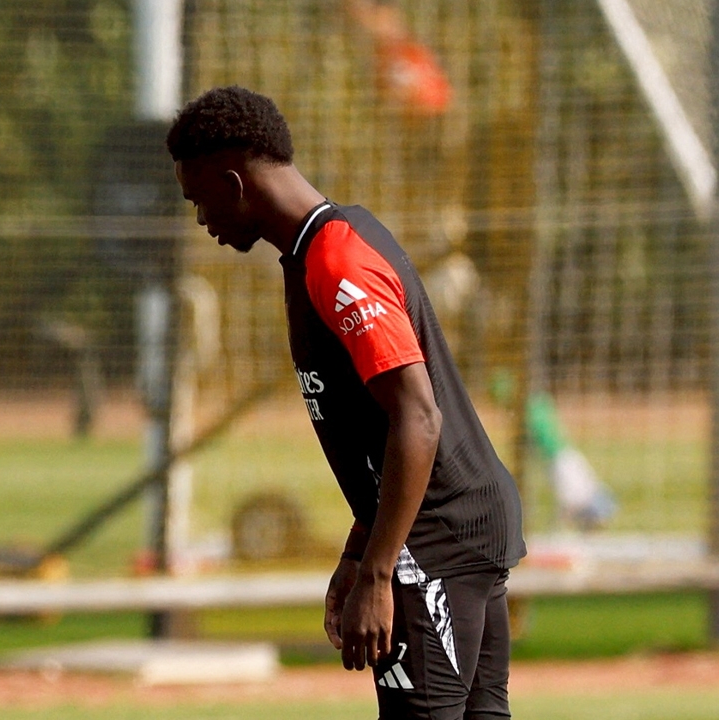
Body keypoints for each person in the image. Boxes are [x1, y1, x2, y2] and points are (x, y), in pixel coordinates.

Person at [167, 86, 524, 719]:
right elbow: (384, 429)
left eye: (199, 199)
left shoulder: (337, 260)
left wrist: (381, 573)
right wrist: (361, 548)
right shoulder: (323, 247)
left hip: (435, 538)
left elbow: (418, 417)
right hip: (456, 520)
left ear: (234, 182)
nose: (201, 219)